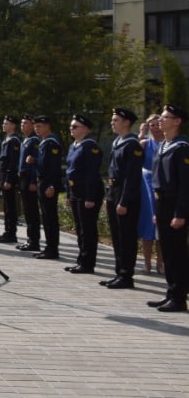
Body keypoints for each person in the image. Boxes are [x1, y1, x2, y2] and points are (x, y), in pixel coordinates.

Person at [150, 103, 189, 312]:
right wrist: (158, 212)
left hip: (175, 205)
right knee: (167, 251)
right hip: (162, 204)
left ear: (177, 121)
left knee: (177, 253)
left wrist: (180, 213)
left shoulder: (182, 148)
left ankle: (179, 296)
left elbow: (185, 185)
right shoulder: (163, 145)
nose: (160, 120)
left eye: (165, 117)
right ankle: (171, 292)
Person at [102, 107, 144, 289]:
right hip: (114, 191)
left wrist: (124, 201)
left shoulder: (132, 145)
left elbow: (132, 177)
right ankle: (119, 271)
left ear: (126, 122)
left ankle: (127, 275)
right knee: (117, 236)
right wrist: (109, 196)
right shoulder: (118, 142)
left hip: (126, 193)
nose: (112, 123)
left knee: (126, 236)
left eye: (116, 120)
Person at [64, 114, 102, 274]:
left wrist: (90, 197)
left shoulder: (90, 146)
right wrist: (68, 194)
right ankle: (81, 259)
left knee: (87, 229)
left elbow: (92, 174)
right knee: (80, 228)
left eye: (75, 127)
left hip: (87, 192)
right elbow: (69, 171)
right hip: (76, 191)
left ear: (85, 129)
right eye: (71, 126)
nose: (71, 129)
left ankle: (88, 263)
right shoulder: (74, 145)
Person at [34, 114, 63, 261]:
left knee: (50, 217)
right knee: (45, 217)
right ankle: (48, 247)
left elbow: (54, 168)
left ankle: (52, 249)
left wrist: (51, 185)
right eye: (35, 126)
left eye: (39, 126)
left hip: (48, 183)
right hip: (42, 182)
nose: (36, 129)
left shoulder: (52, 143)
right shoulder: (44, 142)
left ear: (47, 126)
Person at [140, 115, 162, 275]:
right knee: (148, 226)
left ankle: (160, 263)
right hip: (146, 183)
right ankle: (146, 263)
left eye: (156, 124)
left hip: (161, 184)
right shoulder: (145, 144)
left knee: (161, 227)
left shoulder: (168, 143)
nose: (154, 127)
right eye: (151, 124)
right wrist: (141, 134)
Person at [0, 115, 21, 244]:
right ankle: (7, 231)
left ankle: (11, 233)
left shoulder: (14, 140)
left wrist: (9, 179)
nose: (3, 125)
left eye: (6, 123)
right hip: (3, 174)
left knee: (10, 206)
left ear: (13, 126)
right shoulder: (7, 139)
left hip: (8, 176)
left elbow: (13, 161)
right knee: (6, 206)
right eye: (3, 123)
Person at [17, 114, 42, 253]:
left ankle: (34, 241)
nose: (23, 125)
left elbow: (35, 162)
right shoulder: (25, 140)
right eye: (22, 123)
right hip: (23, 178)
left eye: (25, 123)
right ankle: (29, 239)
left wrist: (33, 181)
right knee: (27, 210)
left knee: (32, 211)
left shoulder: (34, 140)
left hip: (29, 179)